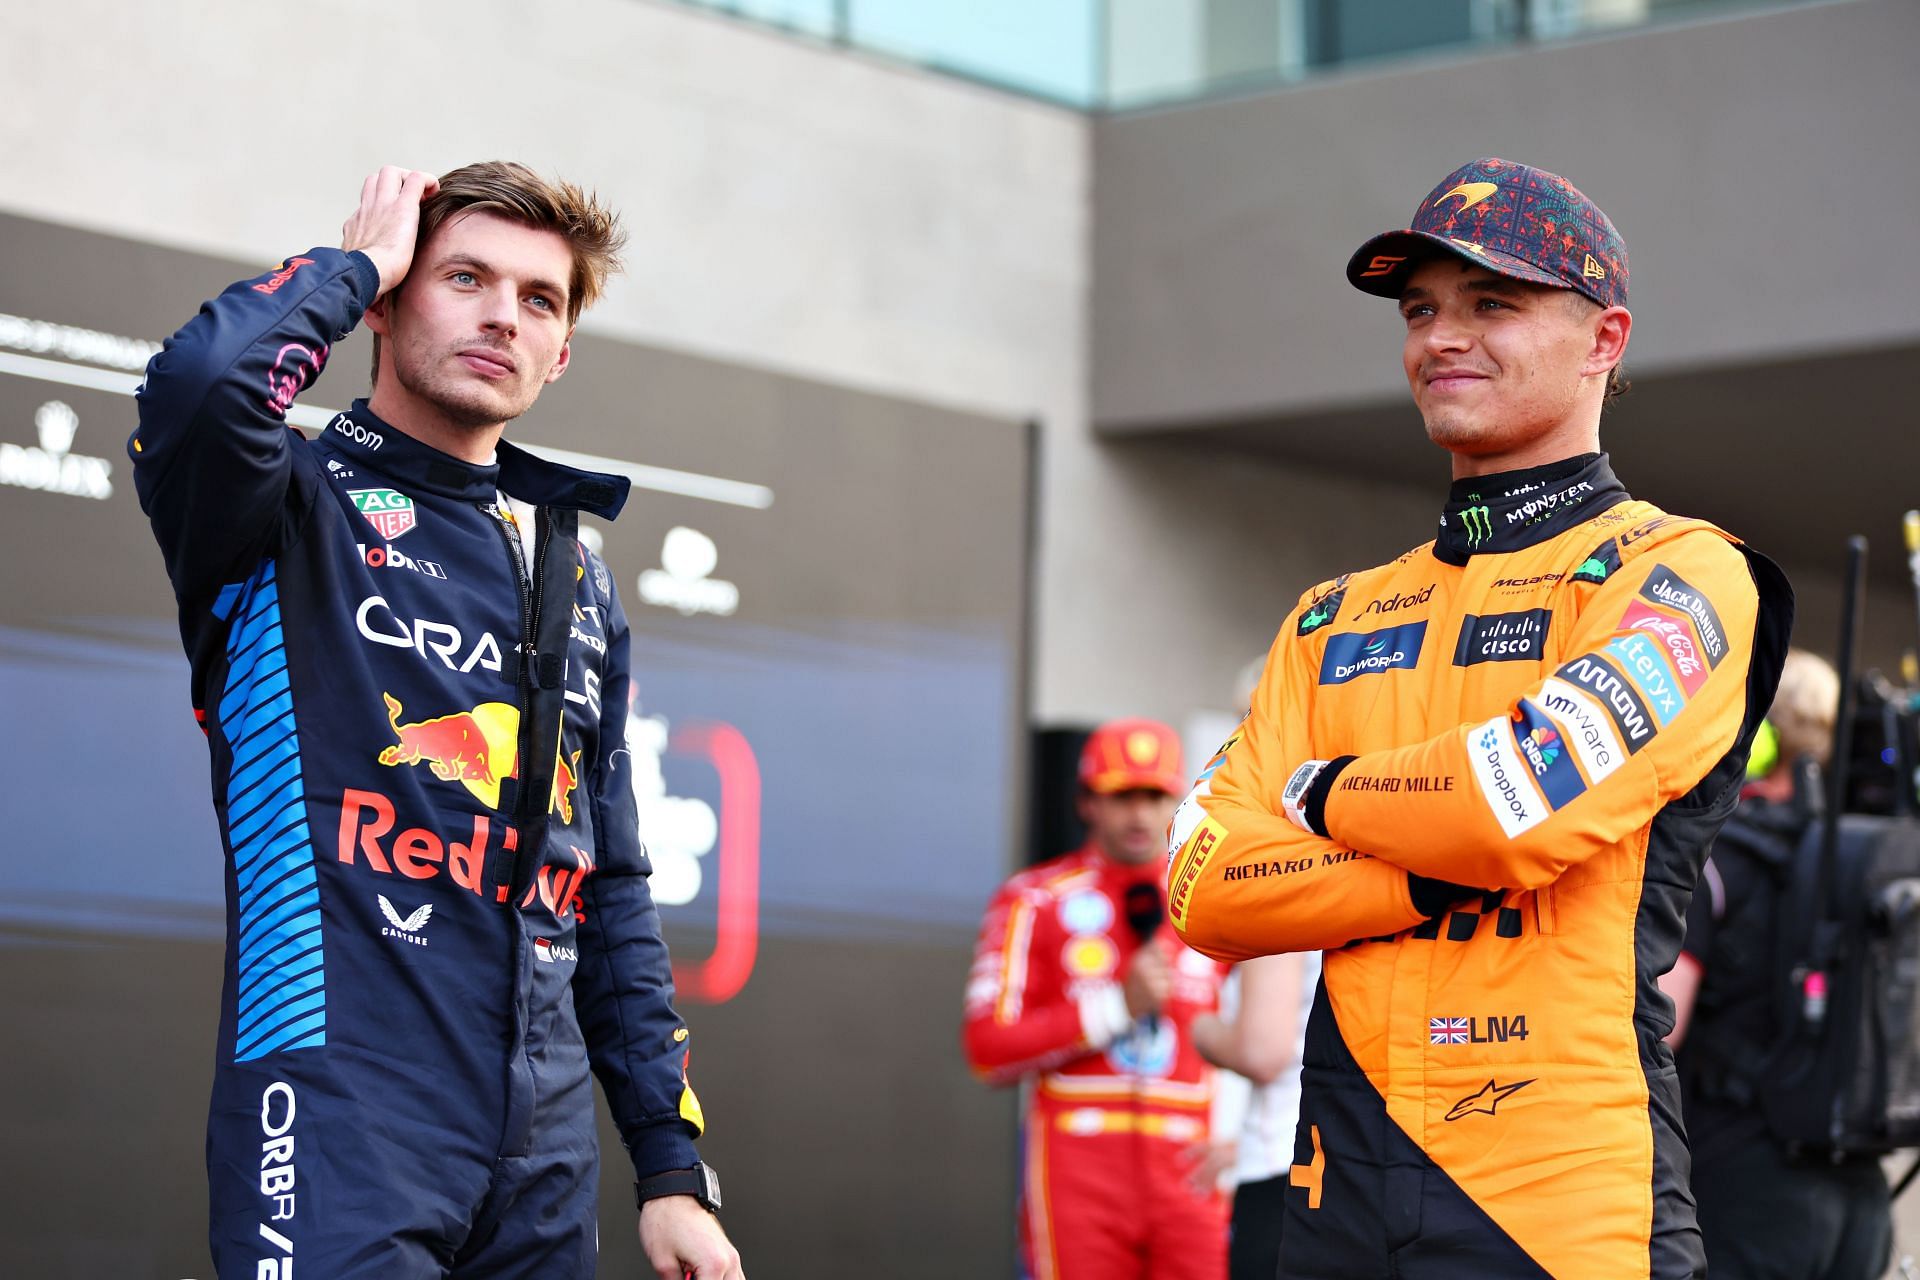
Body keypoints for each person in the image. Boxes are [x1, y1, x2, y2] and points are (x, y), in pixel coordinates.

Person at [1165, 157, 1794, 1278]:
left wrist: (1321, 795)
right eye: (1421, 309)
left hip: (1562, 1206)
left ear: (1607, 339)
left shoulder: (1683, 574)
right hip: (1335, 1192)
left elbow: (1515, 801)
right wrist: (1427, 873)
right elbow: (1204, 879)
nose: (1440, 336)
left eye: (1492, 303)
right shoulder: (1331, 615)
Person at [131, 164, 743, 1278]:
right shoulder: (282, 505)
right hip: (336, 1116)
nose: (503, 312)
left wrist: (668, 1167)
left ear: (560, 354)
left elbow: (603, 885)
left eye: (541, 299)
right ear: (389, 301)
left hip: (543, 1157)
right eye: (464, 276)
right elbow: (206, 382)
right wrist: (354, 258)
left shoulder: (571, 567)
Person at [964, 718, 1230, 1280]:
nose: (1140, 815)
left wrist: (1250, 1137)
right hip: (1076, 1168)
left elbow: (1271, 1030)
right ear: (1086, 801)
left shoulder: (1215, 903)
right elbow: (987, 1048)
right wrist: (1114, 1007)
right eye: (1121, 796)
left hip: (1192, 1169)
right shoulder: (1032, 900)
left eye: (1155, 796)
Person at [1660, 649, 1892, 1279]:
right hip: (1864, 1193)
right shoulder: (1868, 856)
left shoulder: (1719, 854)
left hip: (1749, 1184)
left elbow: (1663, 1022)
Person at [1192, 950, 1320, 1280]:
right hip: (1345, 1163)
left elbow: (1262, 1053)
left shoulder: (1282, 907)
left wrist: (1201, 1030)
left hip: (1282, 1167)